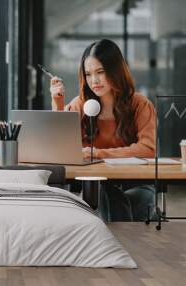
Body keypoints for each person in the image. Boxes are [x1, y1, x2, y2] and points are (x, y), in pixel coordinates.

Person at [50, 38, 156, 221]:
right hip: (95, 184)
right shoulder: (81, 104)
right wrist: (57, 102)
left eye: (100, 72)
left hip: (135, 183)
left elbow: (148, 149)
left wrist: (98, 153)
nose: (94, 80)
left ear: (115, 71)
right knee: (107, 194)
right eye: (88, 74)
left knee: (131, 201)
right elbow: (59, 143)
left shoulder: (140, 104)